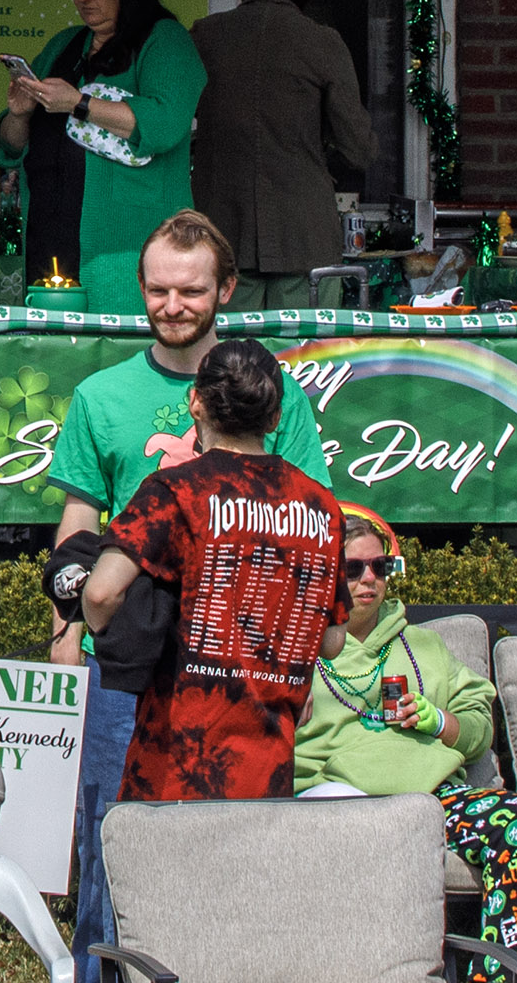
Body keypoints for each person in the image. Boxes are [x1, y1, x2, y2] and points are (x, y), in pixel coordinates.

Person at [47, 210, 331, 981]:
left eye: (192, 291)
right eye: (159, 290)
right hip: (126, 664)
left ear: (226, 289)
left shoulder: (277, 397)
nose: (173, 306)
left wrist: (298, 651)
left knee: (232, 855)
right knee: (111, 845)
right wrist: (66, 629)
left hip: (238, 670)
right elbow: (78, 522)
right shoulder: (101, 395)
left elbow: (304, 529)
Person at [81, 338, 345, 802]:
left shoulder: (175, 490)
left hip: (175, 763)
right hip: (268, 769)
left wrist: (104, 628)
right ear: (276, 418)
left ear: (195, 403)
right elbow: (332, 640)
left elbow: (101, 593)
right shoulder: (321, 506)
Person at [294, 506, 517, 983]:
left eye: (380, 566)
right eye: (353, 568)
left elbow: (479, 727)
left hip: (436, 799)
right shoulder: (298, 648)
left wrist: (440, 721)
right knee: (347, 832)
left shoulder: (425, 646)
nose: (370, 579)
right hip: (345, 800)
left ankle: (497, 976)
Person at [0, 0, 206, 316]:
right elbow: (9, 147)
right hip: (49, 241)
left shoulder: (165, 40)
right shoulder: (64, 45)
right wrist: (20, 114)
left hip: (128, 252)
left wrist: (79, 103)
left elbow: (165, 122)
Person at [190, 0, 376, 311]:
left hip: (223, 230)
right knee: (305, 347)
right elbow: (360, 149)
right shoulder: (320, 42)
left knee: (227, 348)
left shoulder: (204, 36)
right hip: (303, 234)